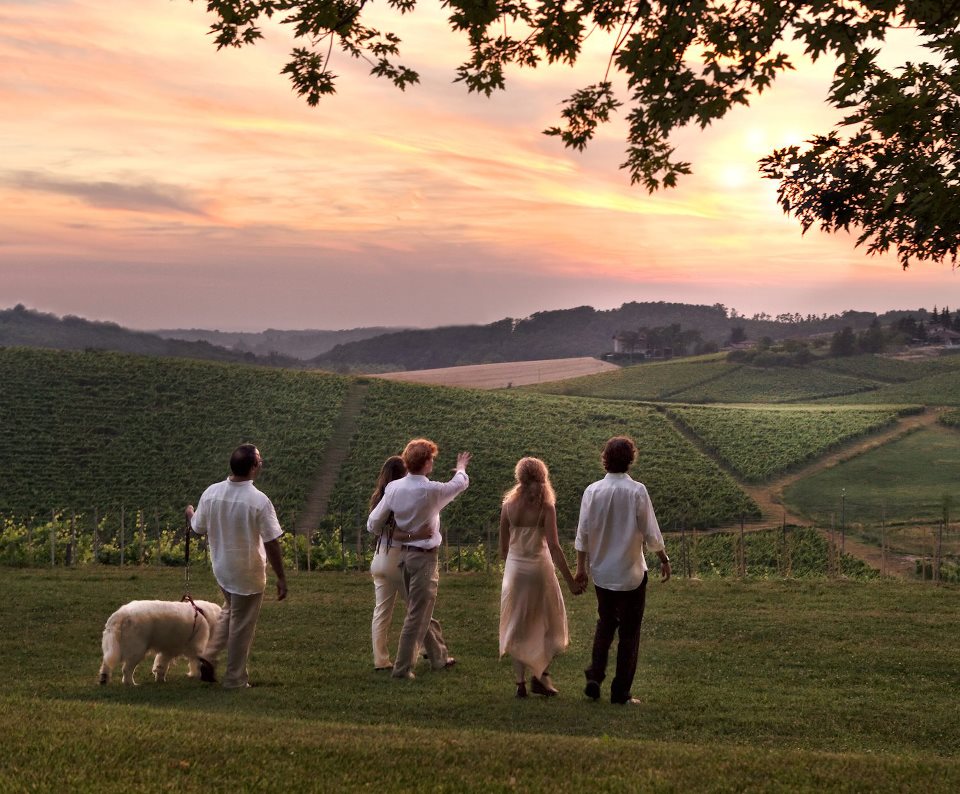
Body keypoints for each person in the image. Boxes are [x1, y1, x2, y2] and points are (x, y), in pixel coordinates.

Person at [574, 436, 671, 705]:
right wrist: (663, 557)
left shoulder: (592, 491)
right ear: (630, 459)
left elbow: (582, 534)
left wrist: (581, 568)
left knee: (605, 624)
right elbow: (651, 532)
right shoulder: (637, 491)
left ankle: (595, 675)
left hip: (602, 573)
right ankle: (620, 692)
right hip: (631, 574)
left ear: (605, 458)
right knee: (629, 634)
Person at [185, 443, 287, 689]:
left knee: (230, 611)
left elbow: (197, 527)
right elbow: (272, 542)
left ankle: (208, 656)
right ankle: (235, 678)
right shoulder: (259, 501)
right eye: (259, 461)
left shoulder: (211, 493)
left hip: (222, 569)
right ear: (253, 467)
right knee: (242, 626)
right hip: (248, 573)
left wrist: (190, 513)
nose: (261, 465)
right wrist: (281, 577)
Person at [367, 438, 471, 679]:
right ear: (426, 463)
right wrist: (461, 467)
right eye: (431, 459)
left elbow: (373, 523)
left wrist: (403, 534)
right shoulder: (430, 490)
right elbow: (459, 484)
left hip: (404, 556)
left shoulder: (393, 489)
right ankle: (403, 668)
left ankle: (438, 657)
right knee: (416, 615)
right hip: (424, 559)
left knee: (418, 612)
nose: (432, 462)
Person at [499, 457, 582, 699]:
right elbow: (554, 547)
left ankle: (520, 683)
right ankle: (541, 674)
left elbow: (503, 550)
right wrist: (570, 580)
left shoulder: (508, 507)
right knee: (547, 622)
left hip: (515, 570)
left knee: (517, 625)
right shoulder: (546, 507)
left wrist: (514, 566)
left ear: (519, 477)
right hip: (540, 569)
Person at [367, 455, 433, 671]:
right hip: (399, 559)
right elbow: (397, 533)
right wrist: (417, 535)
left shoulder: (379, 497)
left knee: (381, 612)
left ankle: (380, 660)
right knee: (418, 609)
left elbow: (375, 527)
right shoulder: (400, 497)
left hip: (379, 559)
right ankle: (430, 651)